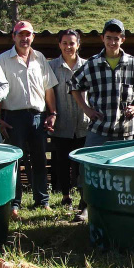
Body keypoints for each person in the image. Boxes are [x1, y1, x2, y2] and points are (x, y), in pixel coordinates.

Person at [0, 20, 58, 215]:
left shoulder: (40, 58)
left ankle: (42, 200)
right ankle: (14, 203)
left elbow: (48, 88)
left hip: (37, 116)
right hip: (13, 116)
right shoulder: (3, 60)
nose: (24, 38)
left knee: (40, 159)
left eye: (28, 34)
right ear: (13, 36)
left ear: (33, 37)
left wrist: (53, 113)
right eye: (20, 34)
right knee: (15, 161)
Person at [68, 19, 134, 147]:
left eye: (116, 39)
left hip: (125, 130)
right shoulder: (92, 64)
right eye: (108, 38)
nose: (112, 42)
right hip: (98, 129)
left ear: (122, 39)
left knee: (122, 166)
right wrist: (86, 109)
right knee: (90, 165)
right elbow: (73, 85)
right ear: (102, 38)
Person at [48, 29, 89, 207]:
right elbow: (48, 93)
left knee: (82, 164)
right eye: (64, 43)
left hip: (84, 124)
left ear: (78, 45)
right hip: (62, 122)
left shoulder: (88, 66)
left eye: (72, 43)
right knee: (62, 163)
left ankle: (83, 198)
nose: (68, 47)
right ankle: (66, 196)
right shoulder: (51, 67)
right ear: (59, 45)